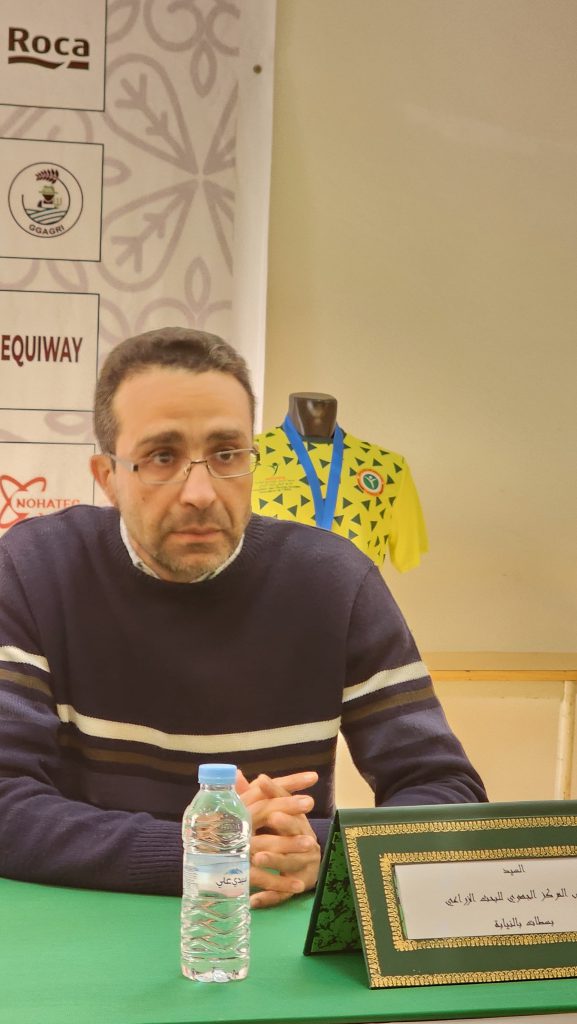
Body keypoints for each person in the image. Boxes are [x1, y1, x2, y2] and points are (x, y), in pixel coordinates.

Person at [0, 327, 486, 907]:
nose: (201, 492)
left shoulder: (335, 582)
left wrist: (325, 853)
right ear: (107, 477)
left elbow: (447, 792)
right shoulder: (33, 570)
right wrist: (204, 849)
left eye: (227, 454)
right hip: (84, 921)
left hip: (270, 920)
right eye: (162, 457)